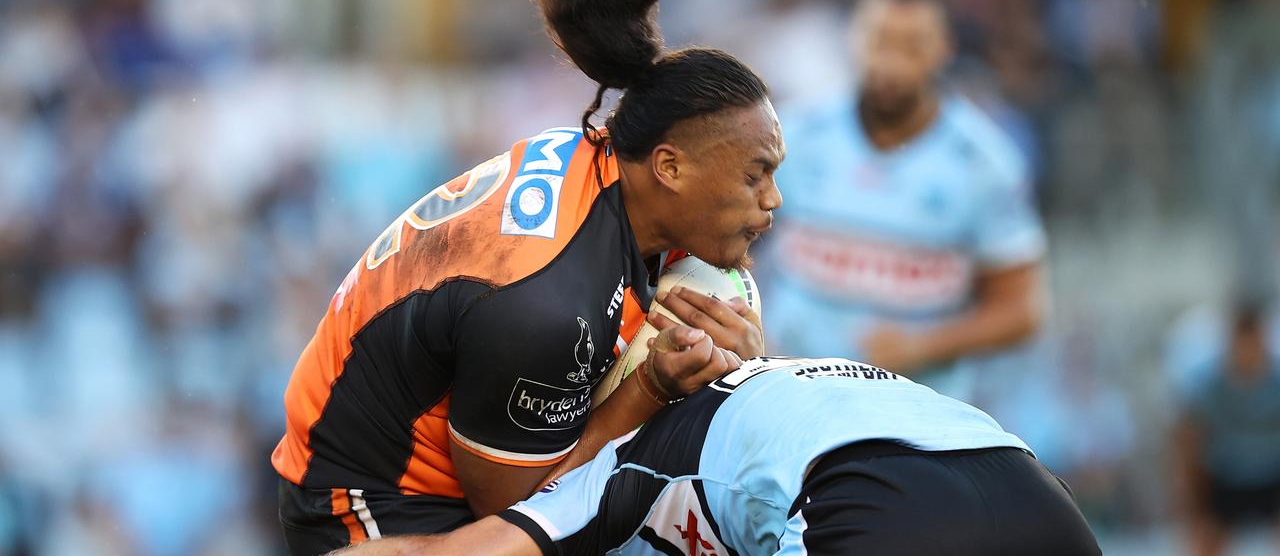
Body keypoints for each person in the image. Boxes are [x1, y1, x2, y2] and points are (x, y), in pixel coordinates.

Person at [273, 0, 784, 555]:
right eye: (758, 175)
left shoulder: (605, 169)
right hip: (376, 504)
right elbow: (523, 512)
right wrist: (656, 388)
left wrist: (745, 374)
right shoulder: (547, 301)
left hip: (462, 467)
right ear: (670, 167)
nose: (772, 200)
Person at [332, 355, 1101, 555]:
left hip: (881, 507)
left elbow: (466, 554)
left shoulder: (622, 462)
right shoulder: (770, 383)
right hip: (1043, 500)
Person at [765, 0, 1045, 398]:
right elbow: (729, 245)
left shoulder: (984, 162)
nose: (891, 62)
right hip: (792, 399)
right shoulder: (794, 135)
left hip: (916, 419)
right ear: (853, 37)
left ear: (945, 47)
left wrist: (922, 347)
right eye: (879, 40)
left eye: (912, 45)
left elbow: (1020, 312)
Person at [1173, 300, 1280, 556]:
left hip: (1272, 476)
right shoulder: (1208, 386)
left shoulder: (1276, 382)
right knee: (1205, 537)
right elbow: (1188, 441)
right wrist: (1192, 505)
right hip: (1224, 478)